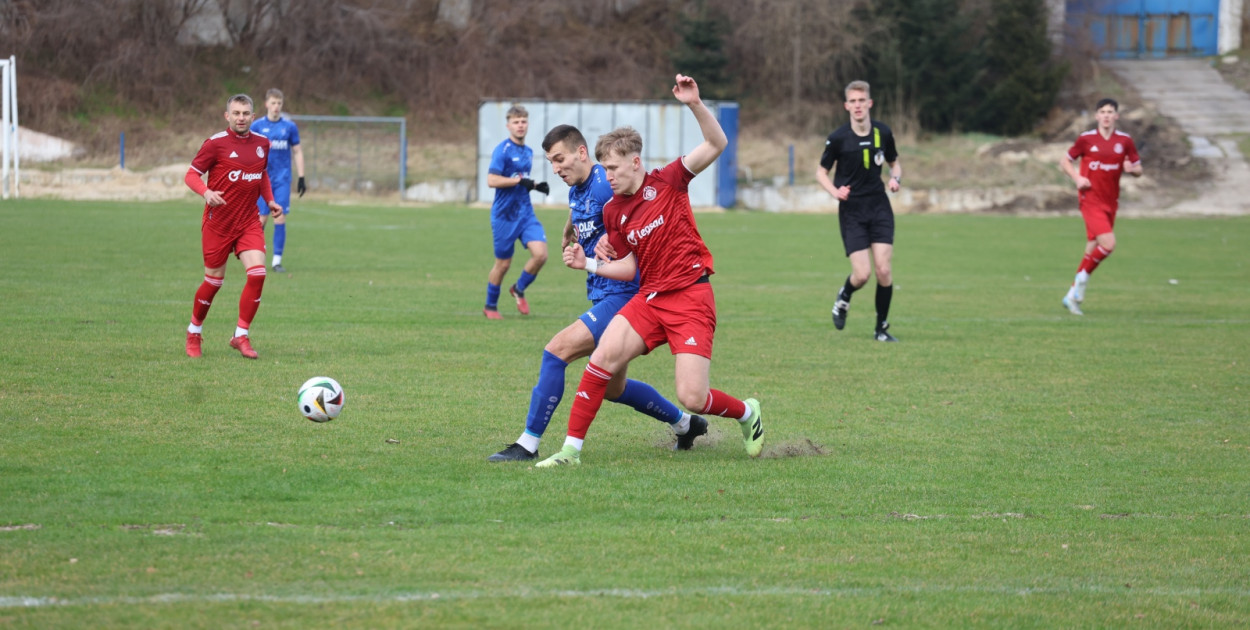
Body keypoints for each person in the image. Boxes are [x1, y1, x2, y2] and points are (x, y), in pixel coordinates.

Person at [536, 75, 764, 467]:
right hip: (650, 298)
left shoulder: (670, 180)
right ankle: (570, 451)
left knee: (693, 397)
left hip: (691, 296)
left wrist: (694, 103)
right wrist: (591, 262)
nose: (607, 177)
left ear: (635, 162)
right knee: (600, 361)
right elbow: (630, 268)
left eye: (613, 168)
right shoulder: (613, 210)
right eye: (604, 170)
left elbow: (717, 144)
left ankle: (747, 413)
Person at [488, 125, 708, 462]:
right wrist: (568, 230)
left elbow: (630, 210)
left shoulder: (608, 183)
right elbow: (584, 209)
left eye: (560, 159)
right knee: (612, 388)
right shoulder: (579, 187)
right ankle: (684, 424)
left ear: (581, 153)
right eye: (550, 162)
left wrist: (607, 245)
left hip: (625, 294)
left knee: (556, 352)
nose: (556, 168)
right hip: (605, 293)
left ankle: (527, 444)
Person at [183, 94, 283, 359]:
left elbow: (261, 174)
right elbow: (191, 174)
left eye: (246, 113)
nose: (241, 118)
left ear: (253, 115)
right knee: (213, 282)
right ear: (227, 116)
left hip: (248, 221)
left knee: (258, 274)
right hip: (219, 223)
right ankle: (194, 331)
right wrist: (206, 192)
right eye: (236, 113)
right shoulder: (215, 144)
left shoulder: (263, 143)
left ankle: (241, 335)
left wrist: (270, 201)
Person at [816, 80, 903, 342]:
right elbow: (821, 172)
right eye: (852, 101)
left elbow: (895, 164)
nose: (857, 106)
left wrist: (895, 179)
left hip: (879, 208)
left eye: (861, 101)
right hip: (852, 211)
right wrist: (835, 192)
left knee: (884, 270)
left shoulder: (883, 133)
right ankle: (844, 295)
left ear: (869, 103)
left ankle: (881, 329)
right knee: (863, 274)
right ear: (846, 105)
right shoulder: (838, 138)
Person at [1059, 97, 1143, 315]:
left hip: (1111, 201)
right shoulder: (1086, 139)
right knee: (1108, 243)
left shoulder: (1124, 141)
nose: (1106, 115)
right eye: (1102, 112)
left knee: (1092, 246)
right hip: (1090, 199)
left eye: (1110, 112)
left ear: (1116, 116)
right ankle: (1082, 281)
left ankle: (1071, 296)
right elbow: (1065, 161)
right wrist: (1077, 178)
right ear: (1097, 116)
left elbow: (1138, 168)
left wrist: (1132, 169)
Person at [483, 104, 550, 319]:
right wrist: (518, 181)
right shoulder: (502, 151)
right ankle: (490, 306)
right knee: (503, 264)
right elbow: (491, 180)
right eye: (516, 122)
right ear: (508, 125)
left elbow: (520, 180)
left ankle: (519, 289)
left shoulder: (528, 151)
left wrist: (536, 185)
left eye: (523, 122)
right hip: (504, 215)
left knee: (541, 255)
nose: (520, 126)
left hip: (525, 213)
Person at [251, 88, 305, 273]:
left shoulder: (289, 127)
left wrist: (301, 177)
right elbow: (247, 150)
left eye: (279, 103)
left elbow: (297, 151)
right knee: (260, 220)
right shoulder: (257, 126)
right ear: (266, 104)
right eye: (273, 103)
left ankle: (276, 261)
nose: (276, 107)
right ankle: (255, 257)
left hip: (282, 180)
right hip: (261, 180)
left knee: (280, 217)